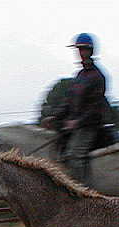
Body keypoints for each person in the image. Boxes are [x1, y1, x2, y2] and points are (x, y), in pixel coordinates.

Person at [42, 33, 108, 185]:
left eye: (83, 49)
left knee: (73, 155)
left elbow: (95, 107)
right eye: (78, 49)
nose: (80, 53)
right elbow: (68, 101)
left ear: (91, 51)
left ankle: (82, 194)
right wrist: (55, 116)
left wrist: (77, 122)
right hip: (75, 125)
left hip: (89, 126)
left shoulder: (97, 76)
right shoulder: (80, 75)